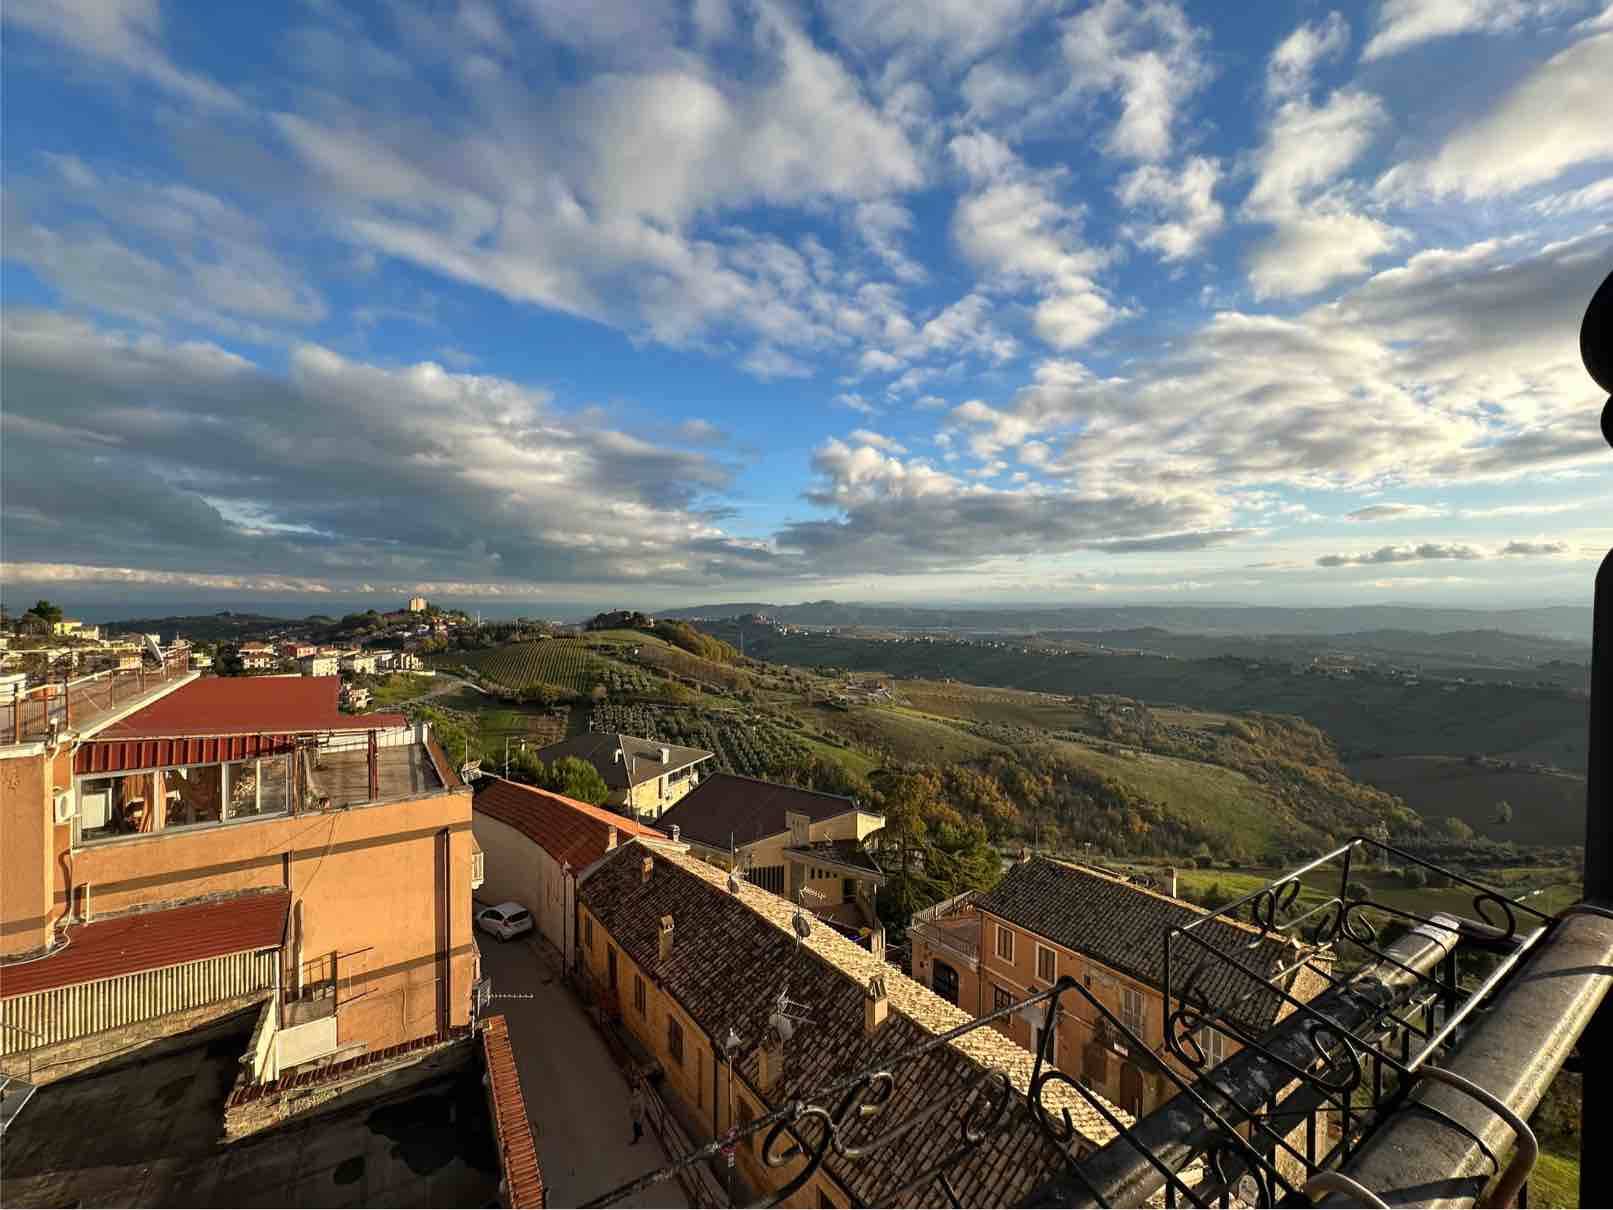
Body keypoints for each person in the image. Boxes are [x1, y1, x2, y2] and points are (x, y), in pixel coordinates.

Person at [629, 1077, 645, 1144]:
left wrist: (640, 1118)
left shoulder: (640, 1097)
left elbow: (643, 1109)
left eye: (635, 1089)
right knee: (637, 1125)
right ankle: (640, 1132)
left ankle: (635, 1139)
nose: (634, 1091)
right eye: (633, 1089)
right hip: (635, 1114)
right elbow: (632, 1103)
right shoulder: (634, 1095)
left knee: (635, 1127)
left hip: (638, 1115)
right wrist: (631, 1110)